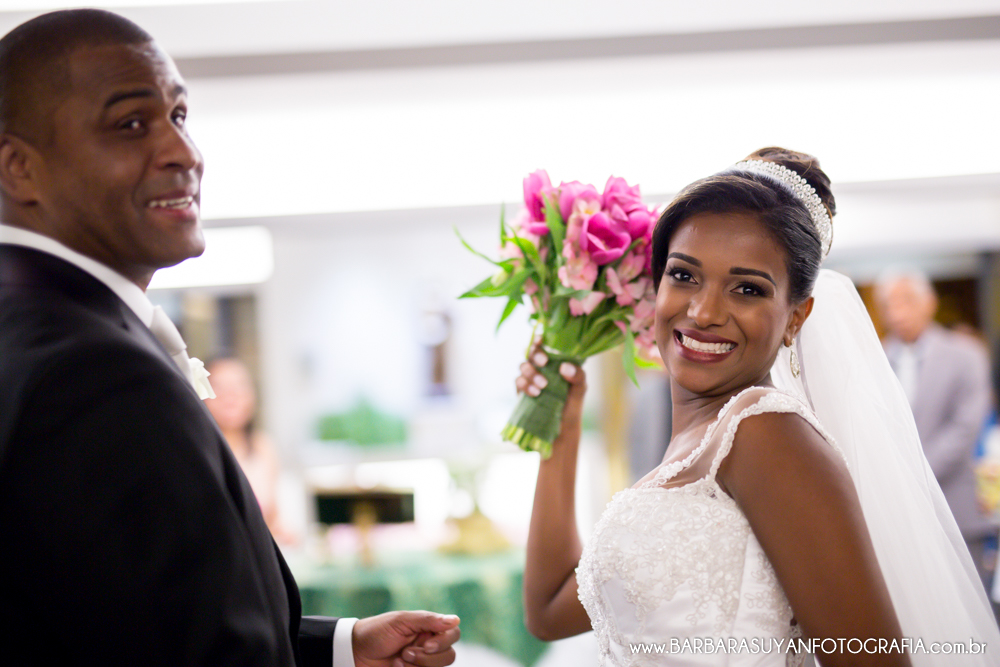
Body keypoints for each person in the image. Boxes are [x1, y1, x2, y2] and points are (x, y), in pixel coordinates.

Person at [0, 9, 458, 666]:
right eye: (131, 124)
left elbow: (130, 614)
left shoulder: (42, 328)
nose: (184, 152)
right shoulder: (92, 374)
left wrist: (336, 645)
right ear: (18, 167)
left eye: (179, 116)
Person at [518, 147, 1000, 665]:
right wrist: (562, 428)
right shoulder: (694, 445)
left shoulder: (766, 434)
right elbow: (548, 612)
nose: (703, 311)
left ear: (796, 317)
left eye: (747, 289)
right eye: (684, 275)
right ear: (655, 286)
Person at [876, 270, 997, 590]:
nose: (898, 312)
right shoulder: (873, 362)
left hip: (956, 506)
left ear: (929, 303)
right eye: (890, 304)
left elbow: (965, 428)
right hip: (898, 517)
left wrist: (914, 478)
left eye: (907, 301)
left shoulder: (966, 355)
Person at [205, 356, 298, 545]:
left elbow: (273, 519)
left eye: (239, 386)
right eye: (218, 387)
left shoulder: (263, 447)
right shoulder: (199, 451)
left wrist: (284, 532)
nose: (230, 396)